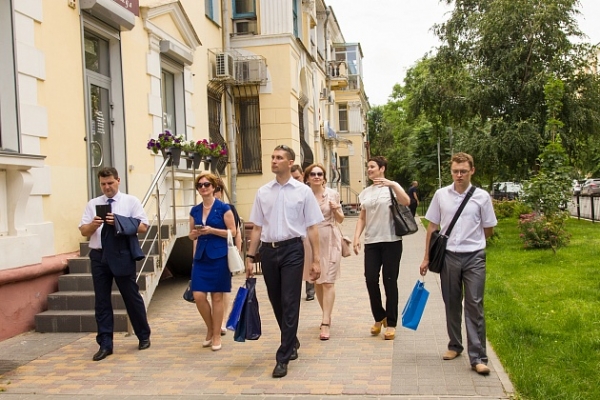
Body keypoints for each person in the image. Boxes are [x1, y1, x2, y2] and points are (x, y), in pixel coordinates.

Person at [245, 145, 323, 378]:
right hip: (268, 252)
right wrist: (250, 257)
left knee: (290, 301)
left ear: (290, 163)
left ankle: (283, 356)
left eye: (279, 158)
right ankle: (292, 340)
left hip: (292, 250)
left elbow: (312, 227)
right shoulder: (263, 192)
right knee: (276, 301)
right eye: (272, 157)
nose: (274, 161)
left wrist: (316, 260)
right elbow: (257, 227)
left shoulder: (303, 192)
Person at [419, 152, 497, 376]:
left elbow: (489, 228)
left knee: (474, 303)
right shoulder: (441, 195)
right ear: (451, 171)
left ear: (472, 170)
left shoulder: (481, 196)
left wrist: (473, 241)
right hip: (449, 257)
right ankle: (455, 345)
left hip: (474, 257)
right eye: (455, 171)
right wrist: (426, 258)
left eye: (463, 171)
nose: (459, 175)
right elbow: (432, 228)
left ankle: (478, 357)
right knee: (452, 302)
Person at [78, 167, 151, 361]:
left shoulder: (130, 201)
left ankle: (143, 335)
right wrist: (94, 224)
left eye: (110, 183)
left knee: (131, 296)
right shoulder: (93, 204)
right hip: (98, 256)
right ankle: (105, 344)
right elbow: (84, 230)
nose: (107, 187)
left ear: (118, 180)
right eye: (103, 184)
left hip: (121, 254)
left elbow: (143, 226)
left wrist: (118, 221)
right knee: (101, 301)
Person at [352, 156, 410, 341]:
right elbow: (362, 217)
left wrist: (392, 184)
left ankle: (391, 323)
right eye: (368, 167)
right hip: (372, 242)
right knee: (370, 279)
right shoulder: (366, 193)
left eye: (372, 167)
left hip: (391, 241)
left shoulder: (391, 189)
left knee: (389, 281)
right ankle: (380, 316)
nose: (369, 170)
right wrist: (356, 238)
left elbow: (406, 201)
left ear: (382, 168)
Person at [188, 172, 237, 351]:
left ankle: (216, 335)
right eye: (200, 185)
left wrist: (212, 230)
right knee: (198, 296)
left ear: (214, 187)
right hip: (201, 257)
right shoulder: (195, 210)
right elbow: (190, 234)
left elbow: (233, 232)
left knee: (217, 297)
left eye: (206, 184)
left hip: (219, 256)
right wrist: (194, 234)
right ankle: (210, 328)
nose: (203, 188)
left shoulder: (223, 208)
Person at [302, 163, 344, 341]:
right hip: (310, 241)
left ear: (324, 177)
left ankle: (325, 321)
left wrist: (335, 209)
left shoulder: (333, 194)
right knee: (317, 281)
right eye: (313, 174)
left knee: (328, 282)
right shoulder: (303, 195)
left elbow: (340, 220)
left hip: (330, 239)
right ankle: (325, 313)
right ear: (308, 178)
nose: (317, 176)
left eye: (320, 174)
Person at [214, 178, 242, 335]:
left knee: (223, 288)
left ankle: (223, 320)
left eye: (217, 189)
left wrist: (237, 252)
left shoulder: (229, 209)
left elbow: (237, 233)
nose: (215, 193)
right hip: (208, 254)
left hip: (225, 252)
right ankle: (218, 317)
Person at [291, 164, 315, 302]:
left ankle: (310, 290)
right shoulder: (288, 191)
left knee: (309, 259)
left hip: (308, 230)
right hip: (294, 232)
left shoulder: (308, 191)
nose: (295, 180)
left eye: (297, 177)